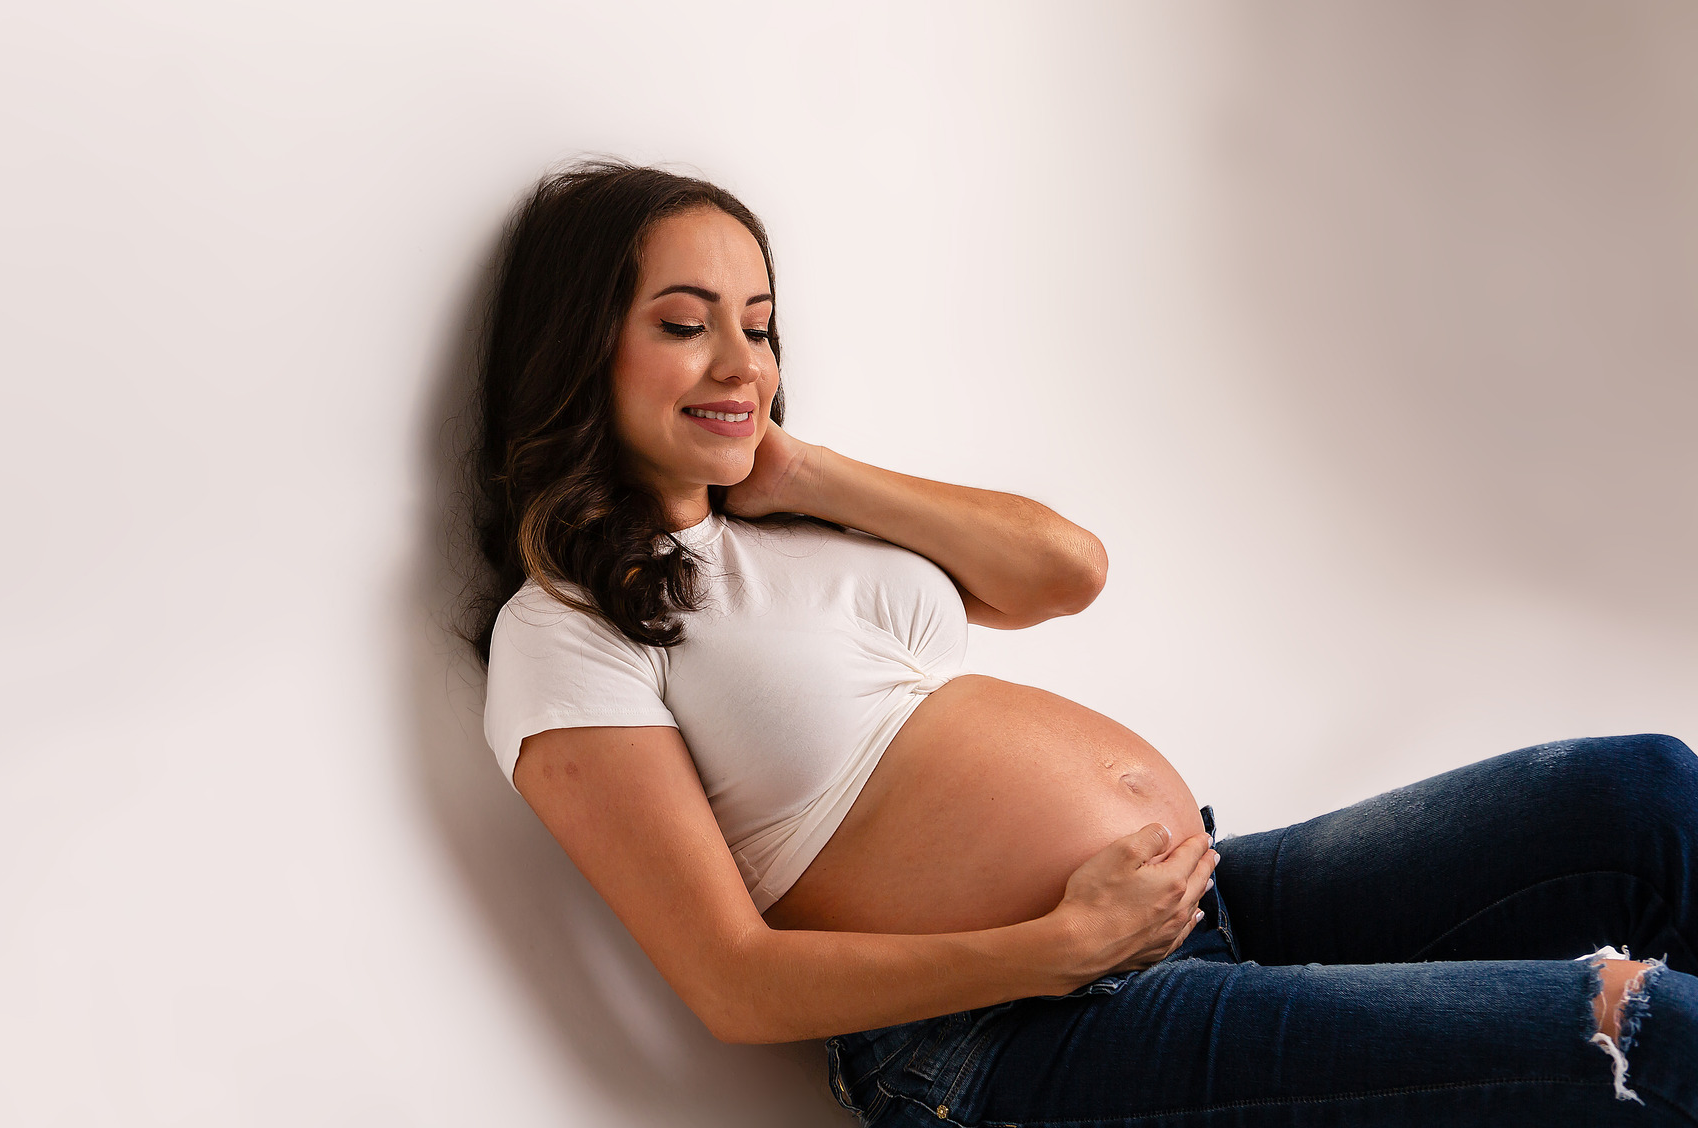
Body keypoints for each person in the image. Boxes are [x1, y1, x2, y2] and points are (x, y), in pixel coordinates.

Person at [463, 160, 1697, 1125]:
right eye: (687, 325)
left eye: (762, 324)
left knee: (1648, 795)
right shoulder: (564, 629)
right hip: (1021, 1031)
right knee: (1625, 1029)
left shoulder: (785, 522)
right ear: (585, 345)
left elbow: (1066, 570)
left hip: (1199, 895)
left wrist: (805, 468)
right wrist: (1054, 947)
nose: (743, 361)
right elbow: (732, 979)